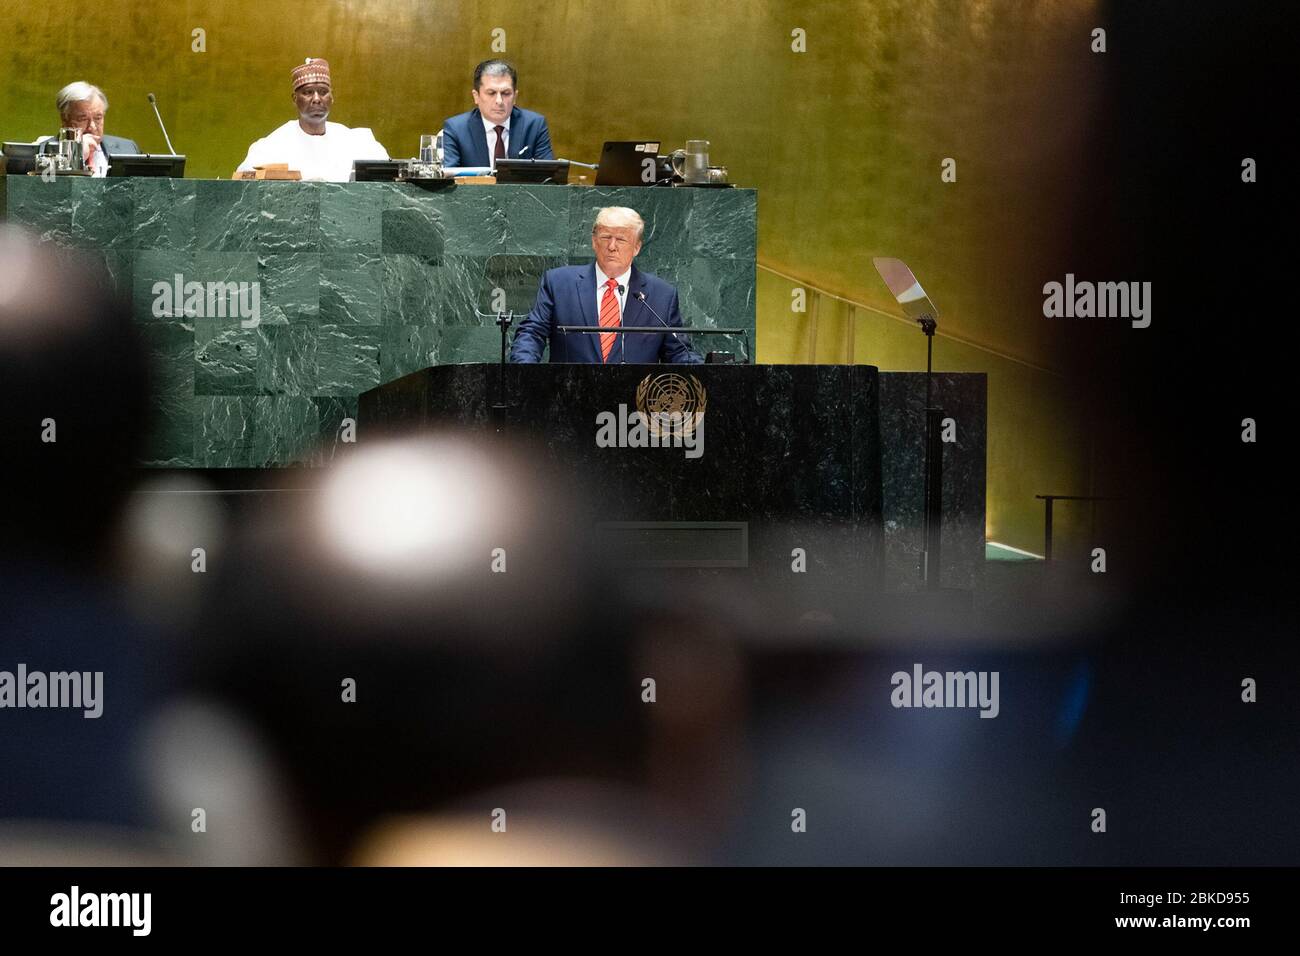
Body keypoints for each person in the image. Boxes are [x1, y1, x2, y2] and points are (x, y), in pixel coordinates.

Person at [510, 207, 703, 364]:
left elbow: (679, 352)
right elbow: (532, 332)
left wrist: (707, 373)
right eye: (605, 237)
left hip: (633, 407)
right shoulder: (559, 283)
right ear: (594, 242)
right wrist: (525, 371)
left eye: (621, 239)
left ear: (637, 247)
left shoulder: (662, 295)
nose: (612, 246)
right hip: (569, 400)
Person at [236, 58, 388, 182]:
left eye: (323, 92)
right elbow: (244, 182)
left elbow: (390, 177)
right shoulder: (272, 146)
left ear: (332, 97)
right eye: (308, 92)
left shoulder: (358, 142)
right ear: (295, 99)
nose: (317, 99)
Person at [440, 59, 553, 169]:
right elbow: (448, 179)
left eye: (506, 93)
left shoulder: (534, 125)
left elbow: (549, 178)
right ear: (476, 96)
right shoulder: (456, 129)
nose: (499, 101)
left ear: (515, 97)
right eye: (491, 93)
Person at [49, 82, 140, 177]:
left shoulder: (128, 149)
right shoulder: (43, 151)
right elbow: (48, 187)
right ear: (64, 119)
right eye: (82, 119)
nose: (92, 126)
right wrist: (77, 155)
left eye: (98, 118)